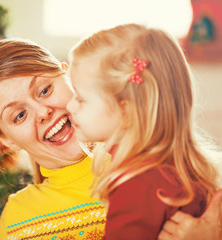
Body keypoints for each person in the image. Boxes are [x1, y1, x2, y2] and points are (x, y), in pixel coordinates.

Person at [0, 38, 220, 240]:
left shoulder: (162, 163)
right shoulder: (19, 219)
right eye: (18, 115)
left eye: (45, 89)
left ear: (70, 77)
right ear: (5, 141)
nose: (43, 112)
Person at [66, 23, 222, 240]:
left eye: (80, 99)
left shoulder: (139, 184)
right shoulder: (171, 169)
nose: (69, 106)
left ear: (127, 112)